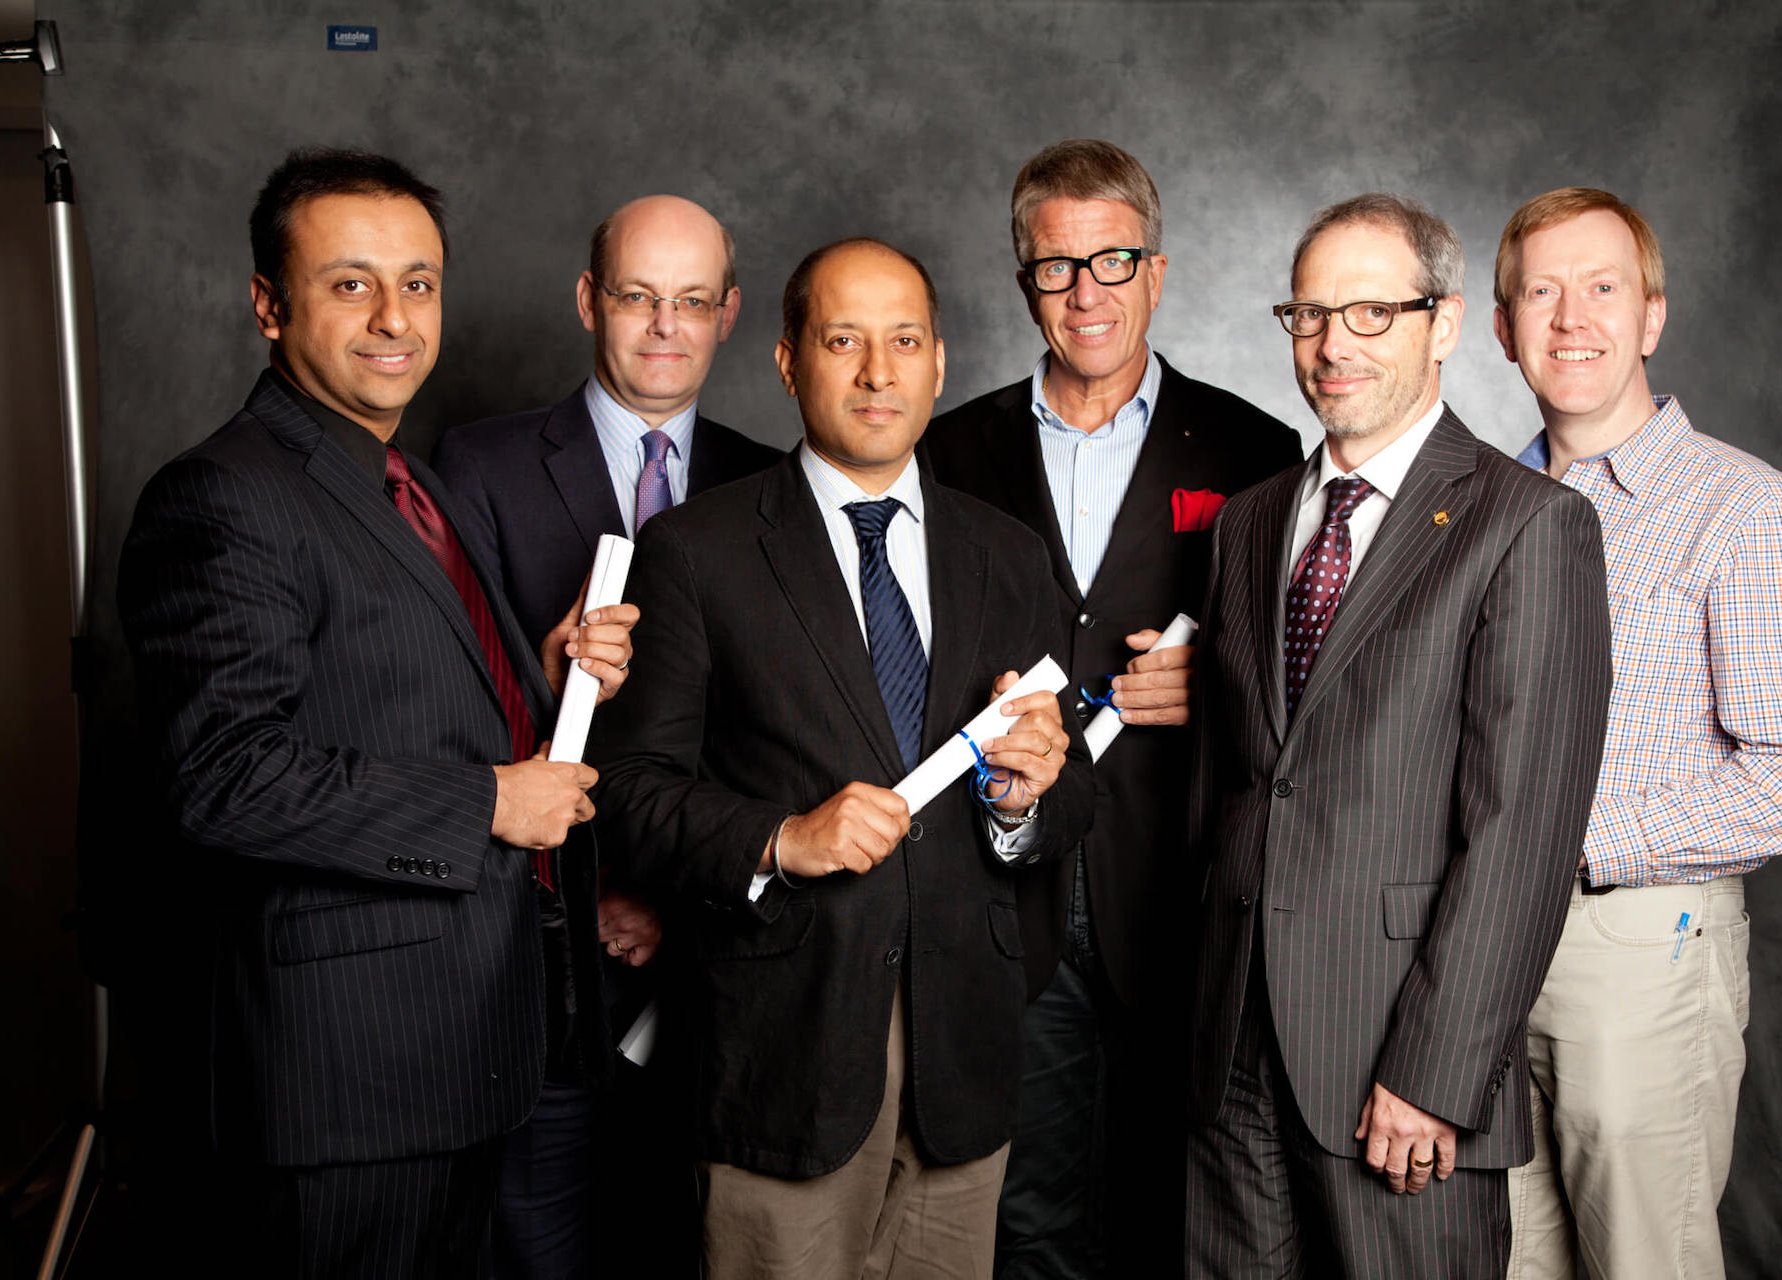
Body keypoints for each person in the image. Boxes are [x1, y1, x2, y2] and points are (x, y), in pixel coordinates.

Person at [116, 147, 634, 1275]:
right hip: (344, 1082)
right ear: (269, 304)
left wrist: (536, 681)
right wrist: (491, 801)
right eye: (350, 283)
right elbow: (222, 775)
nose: (395, 317)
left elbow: (396, 695)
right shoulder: (225, 495)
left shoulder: (404, 481)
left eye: (419, 282)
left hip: (457, 1051)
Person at [590, 237, 1093, 1280]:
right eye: (842, 341)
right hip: (781, 1053)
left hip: (965, 1057)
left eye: (904, 341)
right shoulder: (698, 550)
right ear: (788, 362)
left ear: (939, 363)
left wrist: (1025, 797)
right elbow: (629, 796)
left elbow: (1072, 788)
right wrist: (781, 838)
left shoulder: (1008, 553)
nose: (877, 372)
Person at [1184, 193, 1612, 1278]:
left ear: (1446, 322)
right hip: (1231, 1052)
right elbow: (1234, 781)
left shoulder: (1529, 524)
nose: (1335, 344)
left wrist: (1435, 1072)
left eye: (1372, 312)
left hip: (1397, 1065)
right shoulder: (1249, 522)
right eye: (1311, 314)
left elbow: (1522, 834)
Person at [922, 138, 1301, 1276]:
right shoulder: (951, 450)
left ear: (1158, 271)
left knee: (1176, 1219)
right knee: (1027, 1220)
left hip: (1180, 895)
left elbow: (1313, 676)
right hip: (1007, 890)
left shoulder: (1254, 448)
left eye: (1113, 261)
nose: (1086, 292)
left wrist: (1220, 678)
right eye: (1057, 266)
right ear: (1025, 281)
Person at [1491, 187, 1782, 1279]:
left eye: (1602, 288)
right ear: (1504, 327)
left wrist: (1577, 839)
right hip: (1480, 950)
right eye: (1541, 292)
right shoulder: (1482, 508)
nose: (1571, 318)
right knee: (1502, 1260)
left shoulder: (1744, 509)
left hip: (1641, 952)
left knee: (1643, 1262)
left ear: (1651, 316)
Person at [432, 193, 778, 1277]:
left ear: (728, 314)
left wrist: (674, 894)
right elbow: (436, 718)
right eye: (637, 296)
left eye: (692, 301)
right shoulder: (476, 467)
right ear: (591, 301)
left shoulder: (772, 483)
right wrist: (543, 686)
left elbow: (778, 741)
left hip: (715, 974)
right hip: (543, 973)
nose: (665, 326)